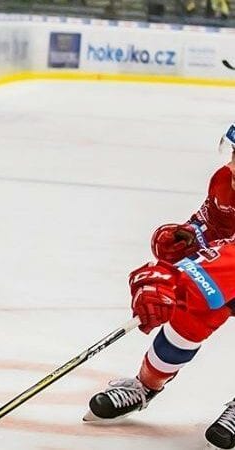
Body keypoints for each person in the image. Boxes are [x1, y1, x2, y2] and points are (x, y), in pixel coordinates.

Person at [84, 125, 235, 449]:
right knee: (190, 315)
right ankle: (146, 385)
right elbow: (212, 228)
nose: (232, 166)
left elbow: (224, 265)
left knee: (195, 292)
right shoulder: (225, 181)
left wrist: (171, 278)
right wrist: (187, 238)